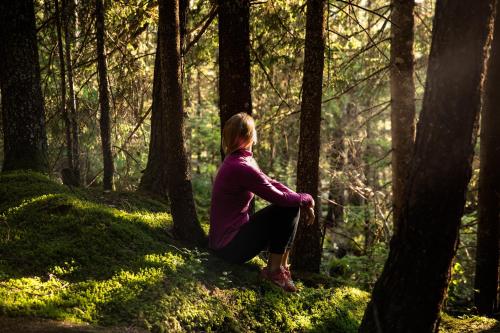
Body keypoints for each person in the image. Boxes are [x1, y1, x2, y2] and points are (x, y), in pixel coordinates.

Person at [209, 112, 315, 292]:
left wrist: (301, 199)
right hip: (228, 248)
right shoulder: (240, 166)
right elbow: (279, 198)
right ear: (249, 136)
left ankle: (281, 268)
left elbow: (271, 183)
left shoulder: (241, 159)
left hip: (229, 241)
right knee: (288, 208)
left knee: (292, 205)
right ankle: (274, 271)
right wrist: (307, 199)